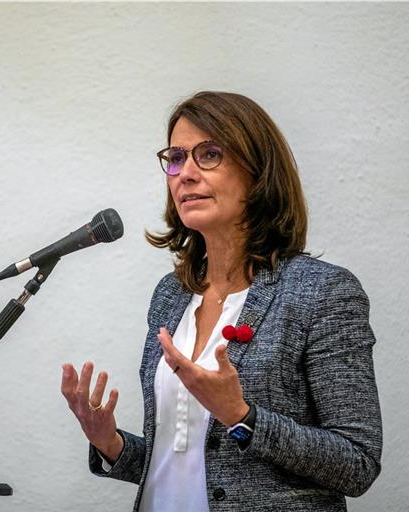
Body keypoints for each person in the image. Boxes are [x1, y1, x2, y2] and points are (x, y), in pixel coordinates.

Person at [60, 91, 382, 511]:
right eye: (176, 158)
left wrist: (242, 417)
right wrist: (110, 442)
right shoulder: (170, 295)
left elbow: (357, 463)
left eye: (209, 154)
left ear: (258, 173)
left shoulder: (321, 293)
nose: (185, 174)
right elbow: (185, 462)